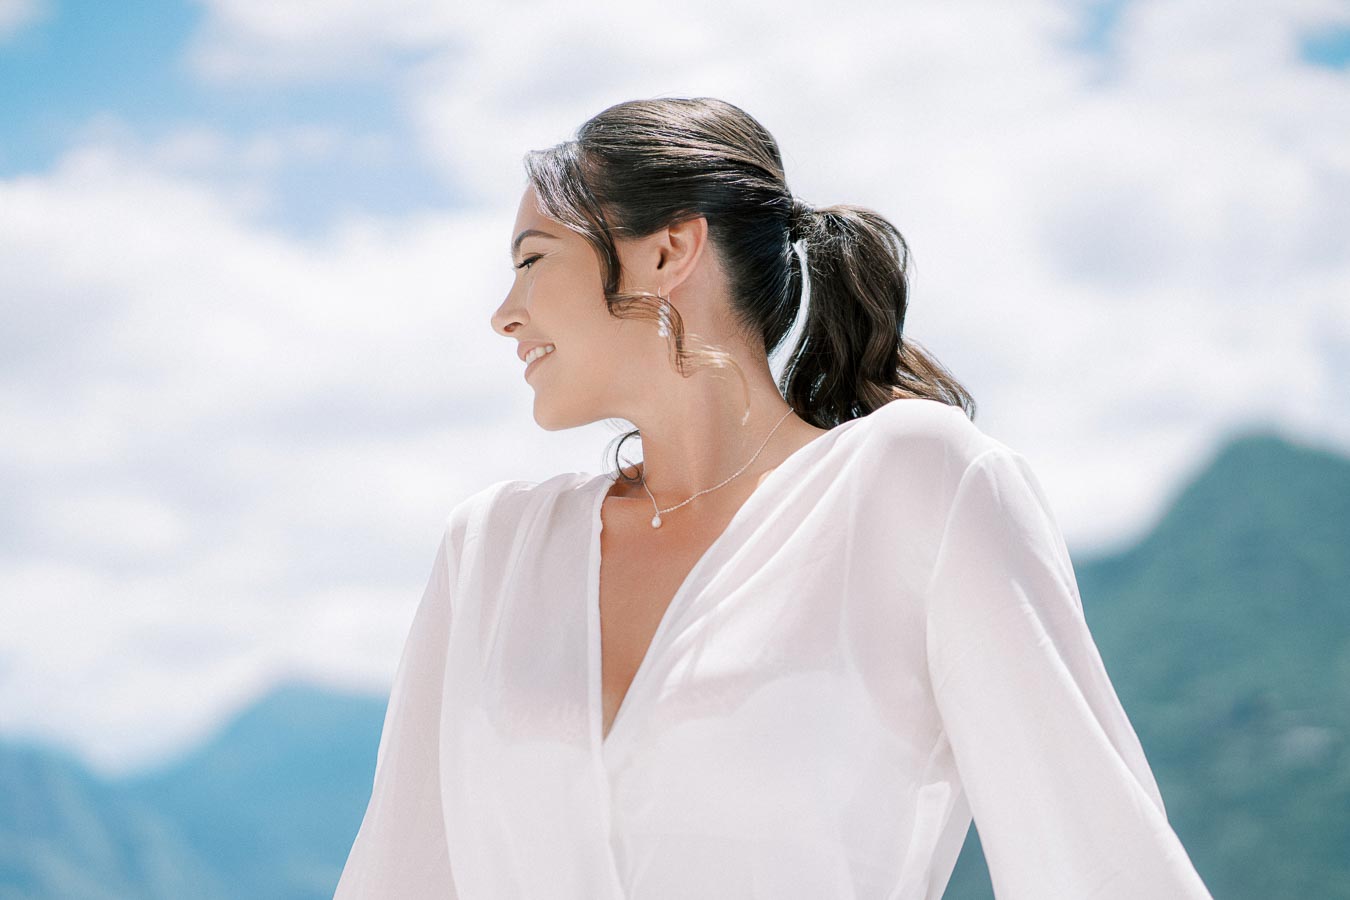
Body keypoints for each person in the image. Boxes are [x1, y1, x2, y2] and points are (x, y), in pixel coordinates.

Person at [334, 97, 1214, 899]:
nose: (504, 313)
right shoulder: (489, 550)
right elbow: (401, 876)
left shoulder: (914, 485)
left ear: (669, 250)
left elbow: (1100, 858)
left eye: (532, 260)